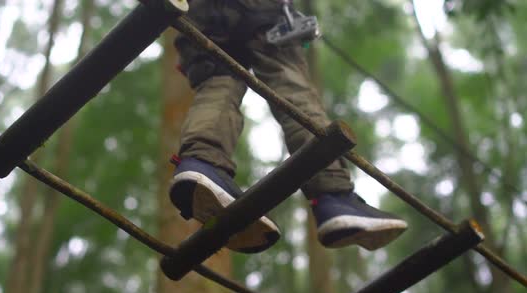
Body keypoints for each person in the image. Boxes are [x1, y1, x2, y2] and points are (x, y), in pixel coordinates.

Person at [168, 0, 407, 254]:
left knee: (217, 83)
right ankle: (333, 195)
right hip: (263, 9)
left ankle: (202, 162)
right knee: (290, 86)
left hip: (199, 10)